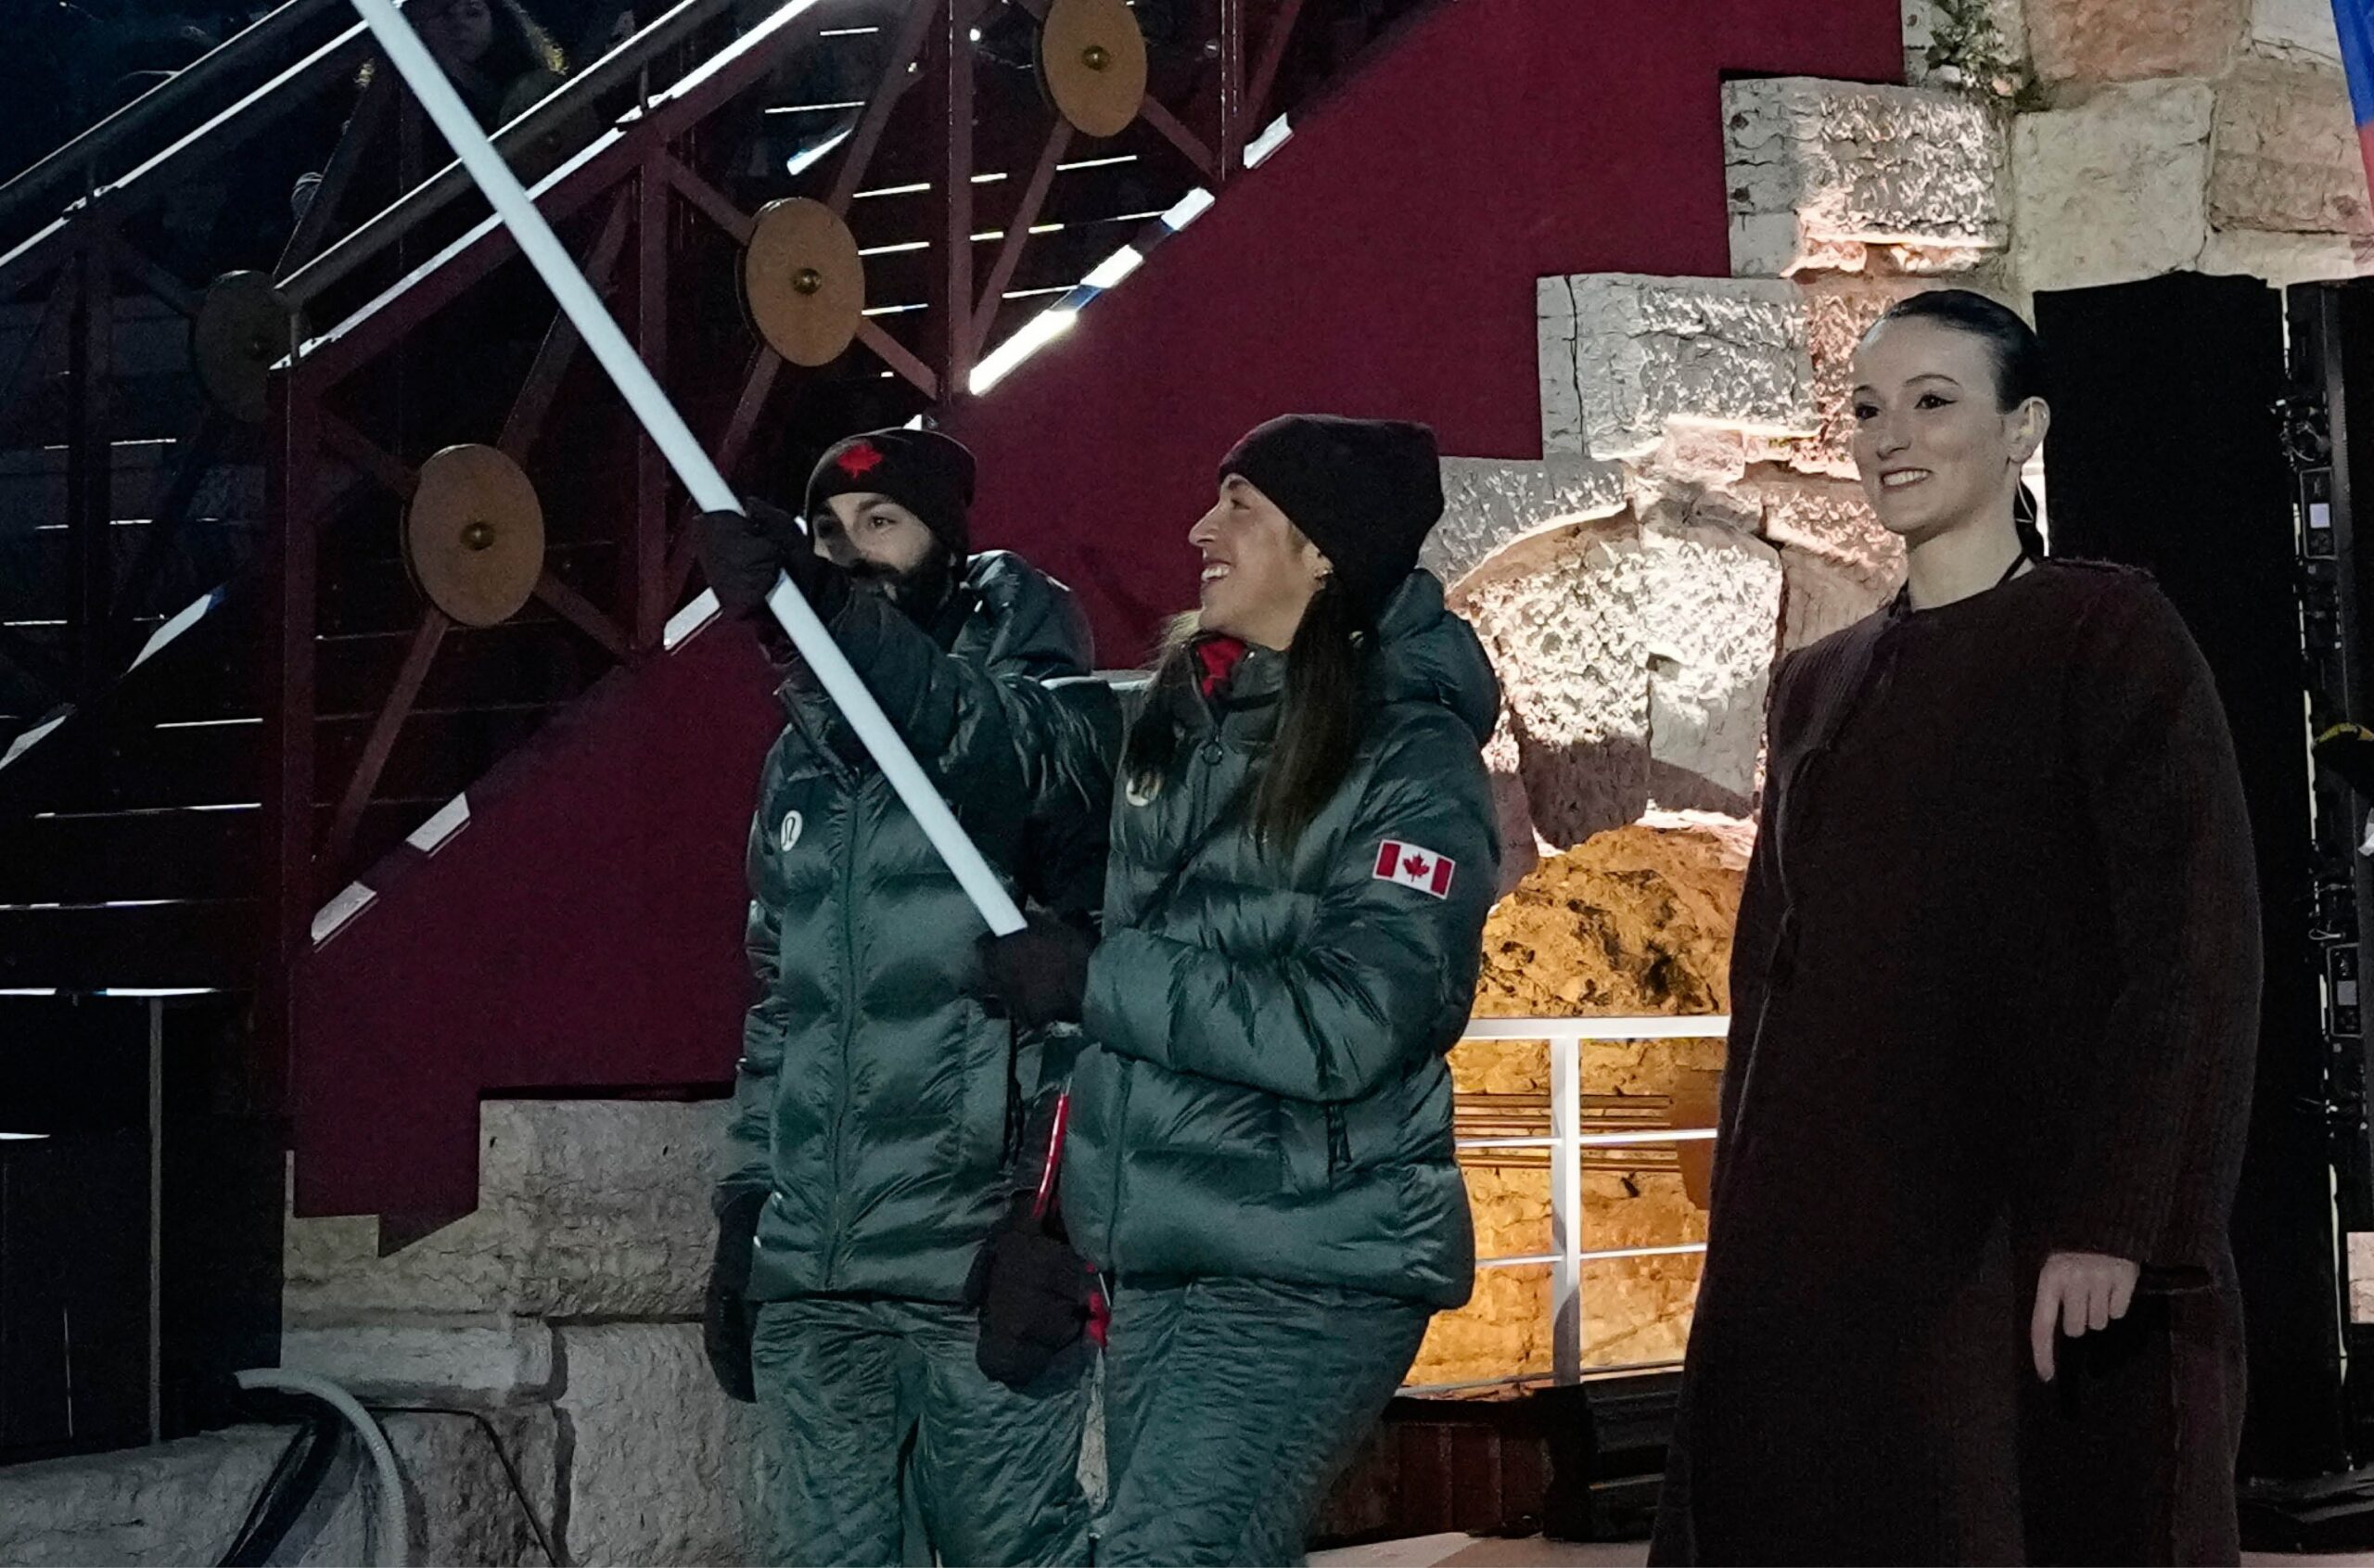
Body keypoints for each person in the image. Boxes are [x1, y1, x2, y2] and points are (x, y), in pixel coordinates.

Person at [1651, 289, 2261, 1565]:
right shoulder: (1818, 682)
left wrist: (2122, 1215)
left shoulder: (2105, 632)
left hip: (2033, 1234)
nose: (1891, 436)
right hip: (1835, 1250)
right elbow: (1773, 978)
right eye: (1869, 407)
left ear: (2021, 426)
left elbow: (2193, 947)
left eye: (1935, 402)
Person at [972, 414, 1503, 1564]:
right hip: (1165, 1250)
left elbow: (1360, 1020)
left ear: (1322, 550)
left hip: (1311, 1262)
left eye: (1240, 505)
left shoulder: (1411, 760)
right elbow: (985, 740)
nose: (1200, 528)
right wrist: (1047, 1212)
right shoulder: (1186, 722)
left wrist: (1098, 973)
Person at [695, 427, 1103, 1568]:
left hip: (973, 1263)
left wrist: (1051, 1224)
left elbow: (1087, 1000)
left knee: (1010, 1549)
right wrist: (745, 1213)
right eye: (829, 532)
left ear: (947, 541)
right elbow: (784, 1000)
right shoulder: (802, 759)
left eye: (882, 525)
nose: (855, 550)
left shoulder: (1047, 713)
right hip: (820, 1266)